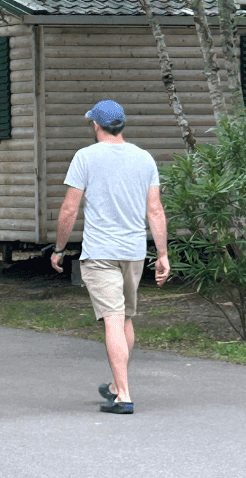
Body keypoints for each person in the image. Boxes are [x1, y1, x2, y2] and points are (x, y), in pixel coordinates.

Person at [51, 99, 170, 415]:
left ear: (96, 126)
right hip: (133, 252)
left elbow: (69, 208)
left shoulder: (85, 157)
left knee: (113, 320)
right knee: (125, 318)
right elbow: (155, 209)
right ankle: (118, 385)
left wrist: (59, 248)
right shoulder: (144, 159)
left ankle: (124, 395)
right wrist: (162, 254)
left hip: (101, 252)